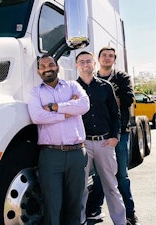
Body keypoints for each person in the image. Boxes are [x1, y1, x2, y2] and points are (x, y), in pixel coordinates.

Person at [28, 54, 90, 225]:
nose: (47, 68)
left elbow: (85, 105)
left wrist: (54, 107)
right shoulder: (35, 92)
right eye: (42, 66)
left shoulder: (72, 85)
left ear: (57, 67)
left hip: (77, 153)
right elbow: (37, 116)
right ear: (39, 71)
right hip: (50, 155)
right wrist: (69, 111)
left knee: (75, 204)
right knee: (52, 205)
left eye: (50, 64)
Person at [86, 47, 139, 225]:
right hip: (99, 136)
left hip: (119, 133)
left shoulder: (121, 77)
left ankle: (130, 214)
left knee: (121, 175)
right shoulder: (92, 79)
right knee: (100, 175)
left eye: (111, 56)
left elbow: (128, 99)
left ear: (114, 59)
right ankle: (94, 209)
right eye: (104, 55)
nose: (107, 58)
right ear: (98, 59)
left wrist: (107, 98)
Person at [75, 51, 126, 225]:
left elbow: (115, 114)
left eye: (88, 61)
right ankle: (80, 221)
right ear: (76, 65)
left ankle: (120, 221)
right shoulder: (72, 88)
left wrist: (115, 137)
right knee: (80, 188)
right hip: (83, 145)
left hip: (105, 143)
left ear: (94, 63)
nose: (85, 64)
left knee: (111, 186)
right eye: (81, 62)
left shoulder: (105, 87)